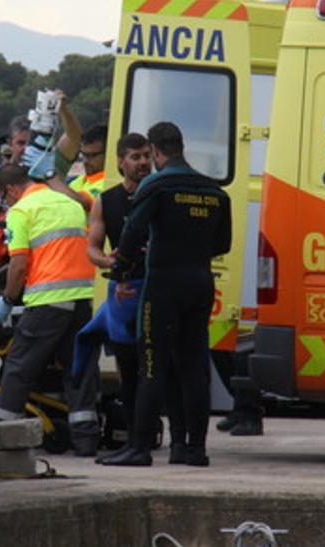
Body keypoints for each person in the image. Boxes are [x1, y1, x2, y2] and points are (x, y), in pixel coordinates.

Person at [99, 122, 232, 467]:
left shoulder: (155, 186)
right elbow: (223, 244)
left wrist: (121, 267)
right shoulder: (214, 191)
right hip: (200, 282)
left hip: (162, 284)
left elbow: (133, 234)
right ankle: (194, 448)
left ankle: (139, 447)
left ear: (157, 151)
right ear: (181, 146)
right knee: (193, 367)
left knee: (152, 366)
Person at [0, 164, 101, 456]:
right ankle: (86, 441)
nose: (5, 204)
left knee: (19, 366)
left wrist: (9, 299)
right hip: (83, 297)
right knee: (80, 369)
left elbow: (19, 264)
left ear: (11, 189)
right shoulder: (67, 202)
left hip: (48, 299)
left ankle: (3, 435)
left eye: (3, 198)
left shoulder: (22, 211)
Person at [70, 133, 166, 449]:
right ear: (120, 162)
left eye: (145, 157)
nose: (142, 163)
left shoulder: (162, 193)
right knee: (128, 367)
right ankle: (135, 436)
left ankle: (154, 432)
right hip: (125, 294)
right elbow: (93, 249)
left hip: (160, 291)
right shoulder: (106, 200)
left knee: (159, 366)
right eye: (135, 158)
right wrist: (109, 262)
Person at [67, 125, 108, 201]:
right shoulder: (78, 180)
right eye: (84, 154)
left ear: (108, 154)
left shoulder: (109, 182)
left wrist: (52, 178)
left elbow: (84, 202)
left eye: (93, 155)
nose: (86, 160)